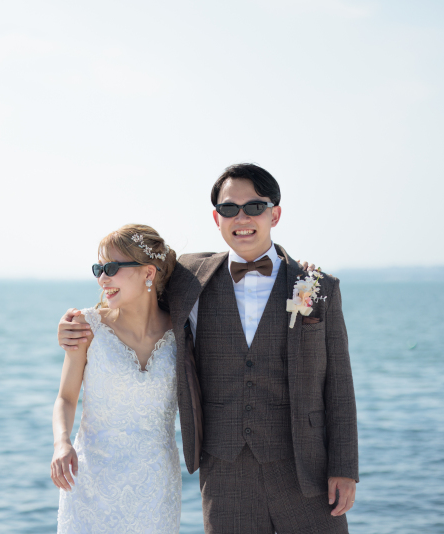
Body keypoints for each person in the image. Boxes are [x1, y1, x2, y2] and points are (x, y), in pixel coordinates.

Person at [58, 164, 358, 534]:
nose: (242, 218)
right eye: (230, 209)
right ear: (216, 218)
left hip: (305, 468)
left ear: (275, 214)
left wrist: (344, 468)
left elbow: (340, 385)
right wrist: (74, 326)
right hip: (224, 473)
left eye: (255, 207)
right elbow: (133, 293)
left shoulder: (317, 286)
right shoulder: (189, 280)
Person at [51, 224, 182, 533]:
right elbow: (66, 398)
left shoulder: (183, 332)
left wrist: (306, 275)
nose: (102, 279)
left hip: (156, 489)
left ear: (148, 273)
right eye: (99, 268)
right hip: (90, 484)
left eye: (111, 268)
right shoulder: (86, 326)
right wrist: (61, 443)